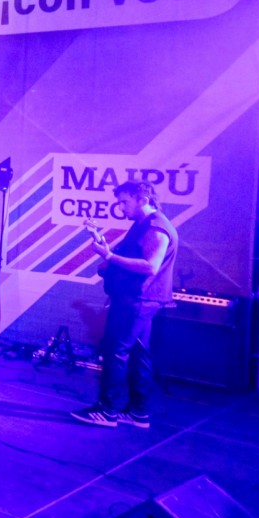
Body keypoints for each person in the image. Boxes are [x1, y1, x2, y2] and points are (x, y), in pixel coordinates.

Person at [72, 180, 178, 428]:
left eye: (125, 202)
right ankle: (138, 412)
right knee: (139, 355)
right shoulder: (144, 225)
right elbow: (134, 259)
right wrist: (110, 261)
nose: (120, 208)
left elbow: (150, 266)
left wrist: (109, 256)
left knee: (115, 352)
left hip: (137, 300)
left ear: (143, 199)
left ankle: (106, 410)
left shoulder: (156, 227)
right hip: (139, 299)